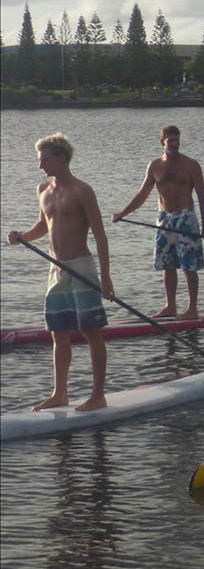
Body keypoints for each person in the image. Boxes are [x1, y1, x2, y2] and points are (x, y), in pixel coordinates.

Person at [7, 133, 114, 412]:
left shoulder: (82, 190)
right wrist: (23, 237)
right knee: (58, 333)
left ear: (61, 158)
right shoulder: (43, 189)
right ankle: (60, 393)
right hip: (55, 270)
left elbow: (101, 236)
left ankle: (98, 395)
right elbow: (44, 226)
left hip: (81, 267)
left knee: (91, 331)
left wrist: (106, 277)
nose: (40, 165)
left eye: (45, 159)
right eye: (39, 159)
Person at [111, 125, 204, 319]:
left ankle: (192, 308)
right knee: (167, 264)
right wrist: (123, 213)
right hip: (164, 219)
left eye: (177, 140)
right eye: (170, 141)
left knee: (189, 265)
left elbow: (202, 196)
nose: (174, 144)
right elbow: (142, 194)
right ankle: (170, 306)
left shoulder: (191, 165)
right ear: (162, 142)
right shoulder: (155, 166)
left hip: (186, 218)